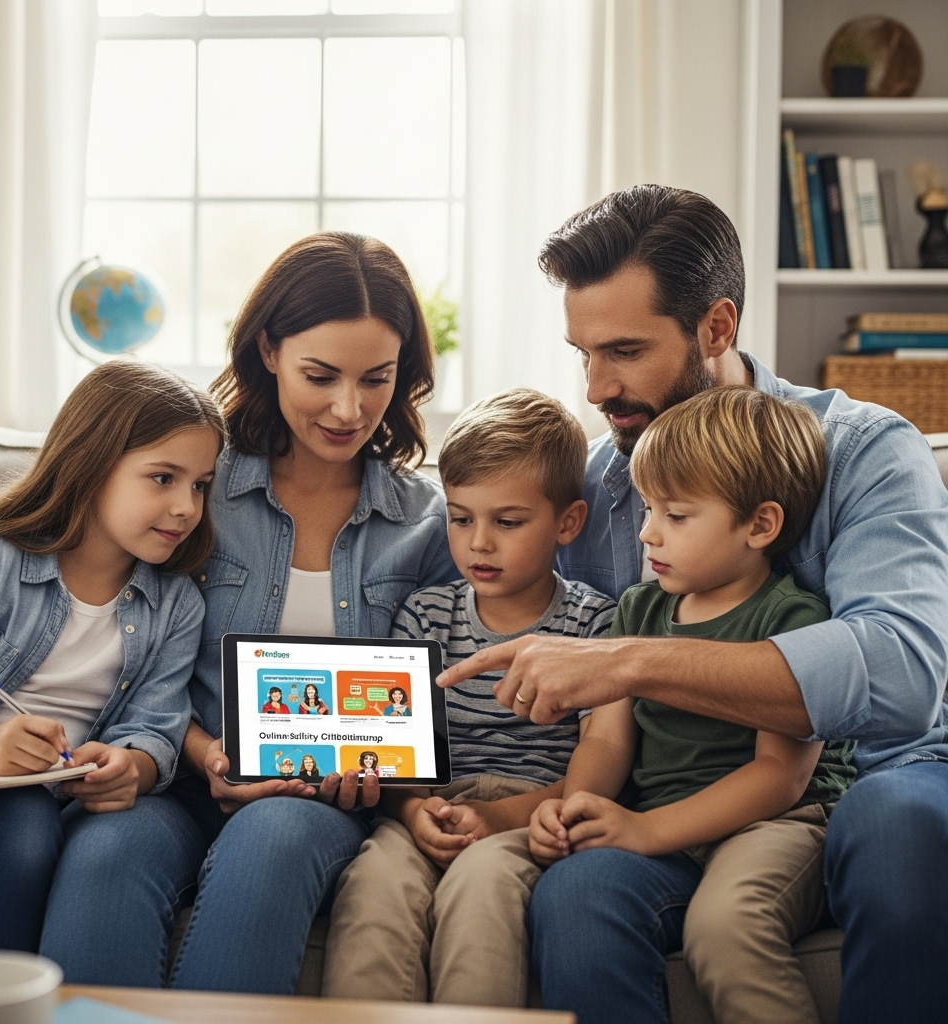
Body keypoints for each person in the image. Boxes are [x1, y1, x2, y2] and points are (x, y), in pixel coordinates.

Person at [437, 186, 948, 1024]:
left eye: (626, 350)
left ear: (716, 328)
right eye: (584, 354)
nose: (599, 387)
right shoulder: (600, 481)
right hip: (671, 797)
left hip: (879, 778)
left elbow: (899, 676)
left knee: (896, 825)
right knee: (582, 891)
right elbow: (456, 542)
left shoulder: (862, 451)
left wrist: (628, 660)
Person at [43, 232, 459, 992]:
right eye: (320, 375)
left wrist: (390, 780)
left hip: (317, 804)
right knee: (107, 851)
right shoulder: (195, 486)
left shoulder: (426, 520)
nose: (349, 408)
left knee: (273, 835)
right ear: (268, 350)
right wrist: (209, 755)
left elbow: (432, 697)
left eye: (377, 379)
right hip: (179, 776)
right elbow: (124, 647)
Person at [530, 386, 855, 1024]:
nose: (648, 532)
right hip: (668, 833)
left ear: (759, 525)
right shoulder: (639, 611)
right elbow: (606, 740)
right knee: (574, 895)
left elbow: (779, 777)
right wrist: (576, 808)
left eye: (676, 516)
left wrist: (646, 829)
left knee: (725, 925)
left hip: (776, 826)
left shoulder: (794, 617)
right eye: (649, 508)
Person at [323, 388, 615, 1007]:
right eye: (461, 518)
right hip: (427, 803)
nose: (479, 542)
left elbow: (603, 758)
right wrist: (408, 810)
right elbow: (392, 746)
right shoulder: (426, 615)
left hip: (531, 811)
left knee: (481, 888)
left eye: (507, 522)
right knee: (374, 886)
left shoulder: (594, 627)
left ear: (568, 522)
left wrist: (503, 819)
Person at [0, 361, 222, 954]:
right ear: (90, 466)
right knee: (24, 829)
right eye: (163, 478)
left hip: (54, 799)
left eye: (201, 484)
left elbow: (154, 727)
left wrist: (127, 767)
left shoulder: (177, 605)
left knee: (48, 826)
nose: (188, 506)